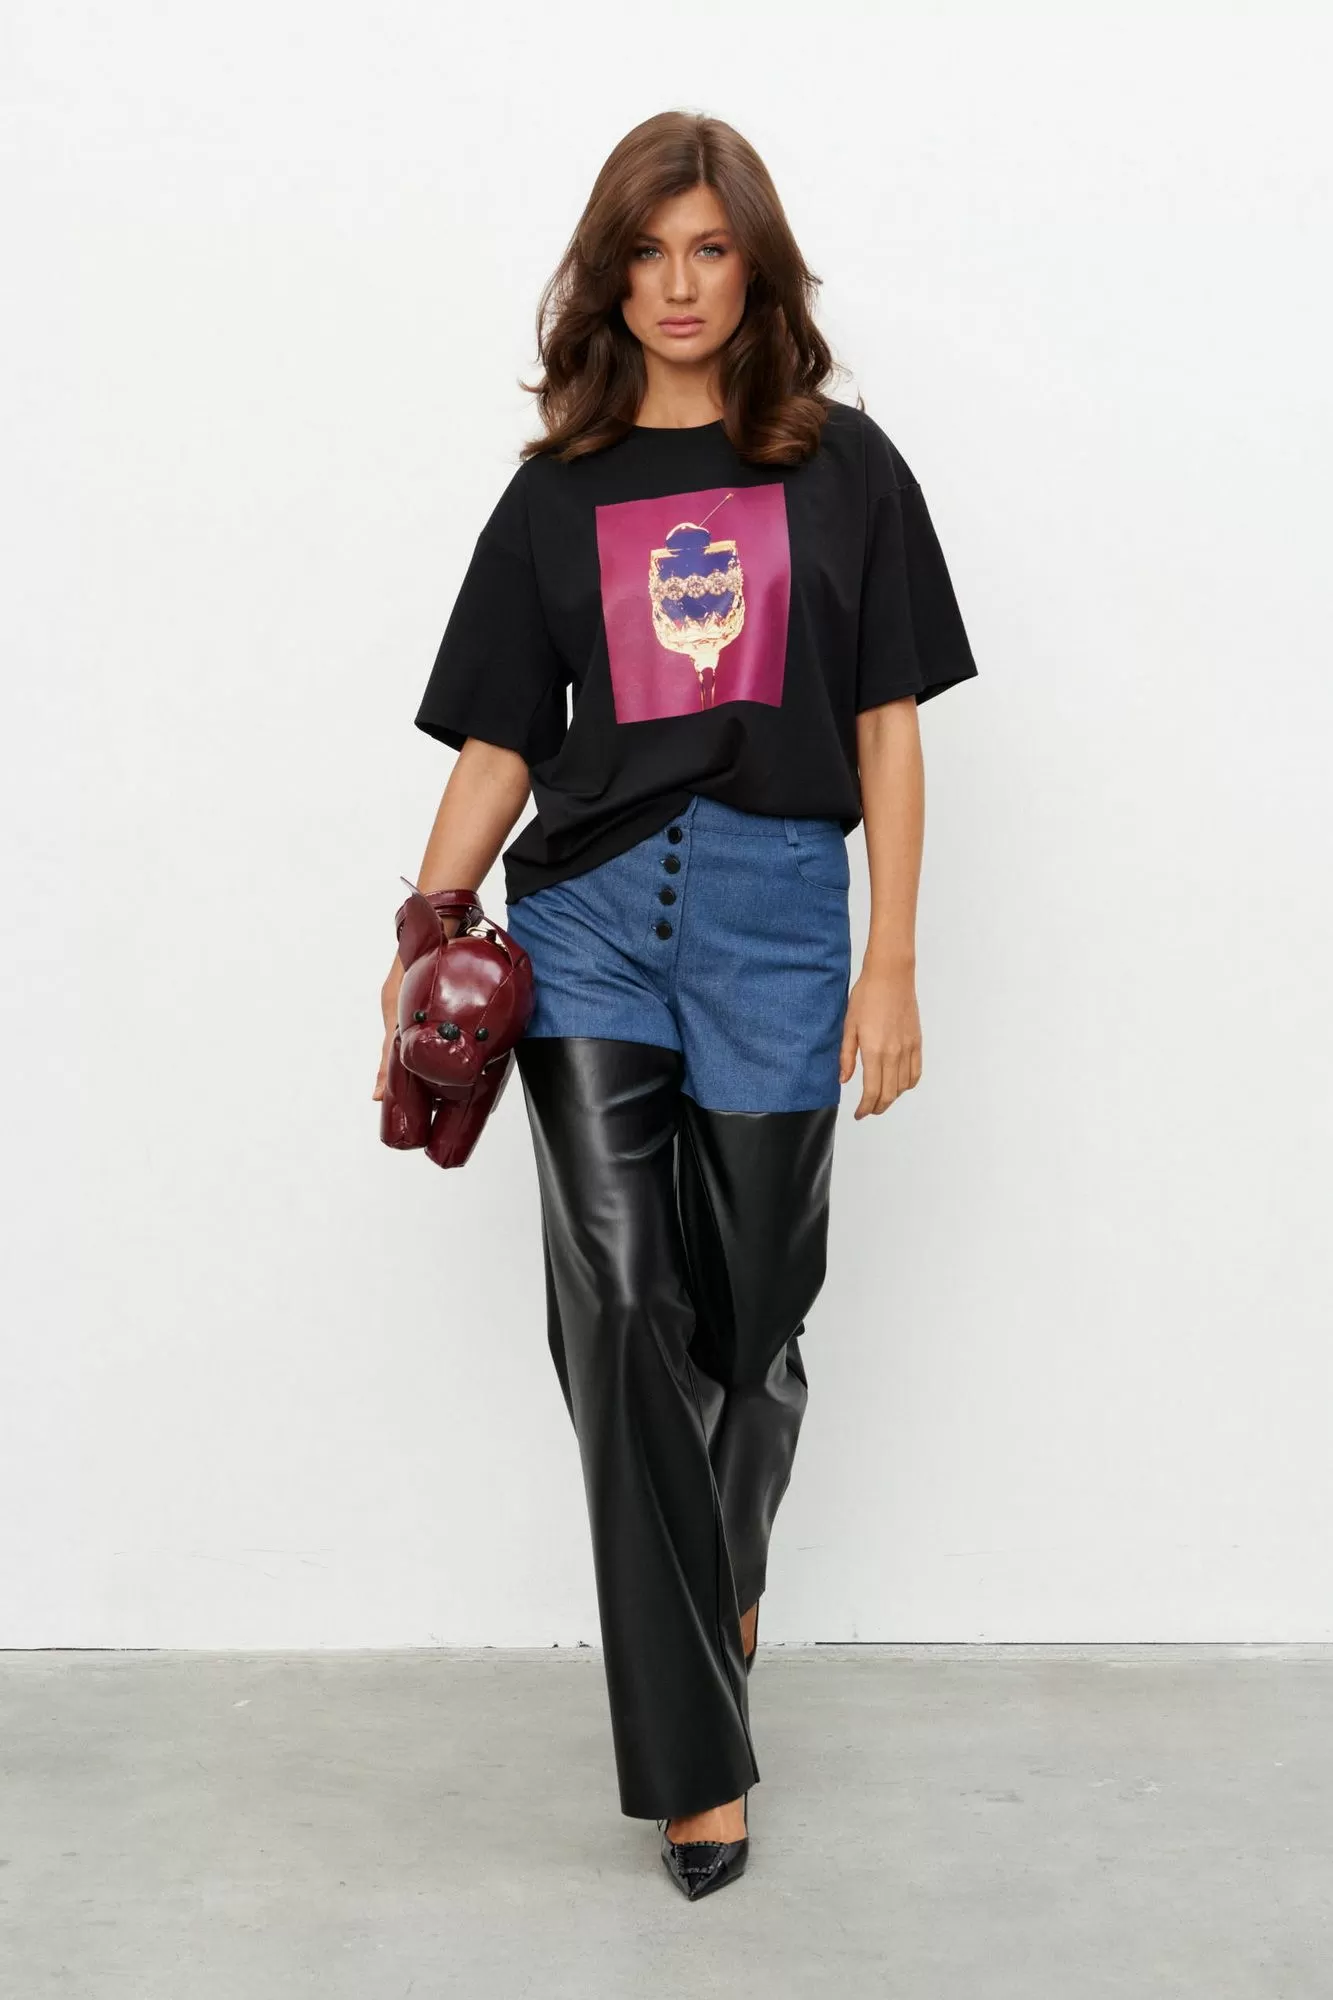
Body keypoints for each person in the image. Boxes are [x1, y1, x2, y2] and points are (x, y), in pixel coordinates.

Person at [373, 108, 978, 1901]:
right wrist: (422, 927)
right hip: (592, 927)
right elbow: (503, 740)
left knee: (757, 1306)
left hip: (781, 922)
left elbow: (886, 725)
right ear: (607, 277)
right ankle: (698, 1769)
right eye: (646, 252)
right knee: (624, 1305)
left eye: (710, 248)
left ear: (754, 265)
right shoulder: (553, 495)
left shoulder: (844, 468)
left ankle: (724, 1562)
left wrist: (891, 959)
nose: (680, 284)